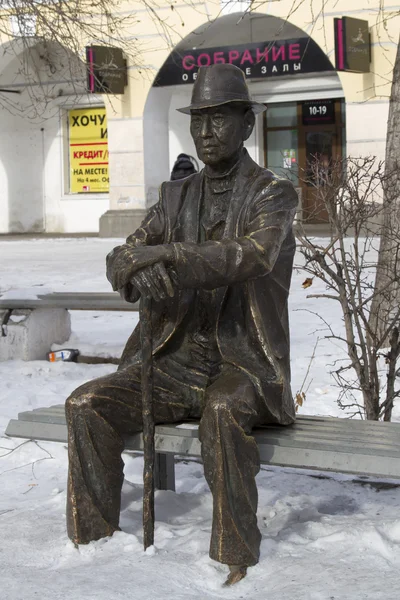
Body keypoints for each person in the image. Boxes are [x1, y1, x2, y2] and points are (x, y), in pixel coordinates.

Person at [65, 63, 298, 586]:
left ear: (247, 125)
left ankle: (235, 552)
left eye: (219, 119)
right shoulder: (174, 198)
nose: (206, 131)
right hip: (174, 362)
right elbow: (123, 254)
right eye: (199, 121)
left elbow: (252, 255)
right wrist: (138, 271)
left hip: (243, 364)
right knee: (85, 405)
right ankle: (91, 543)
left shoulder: (272, 193)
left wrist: (168, 255)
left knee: (222, 409)